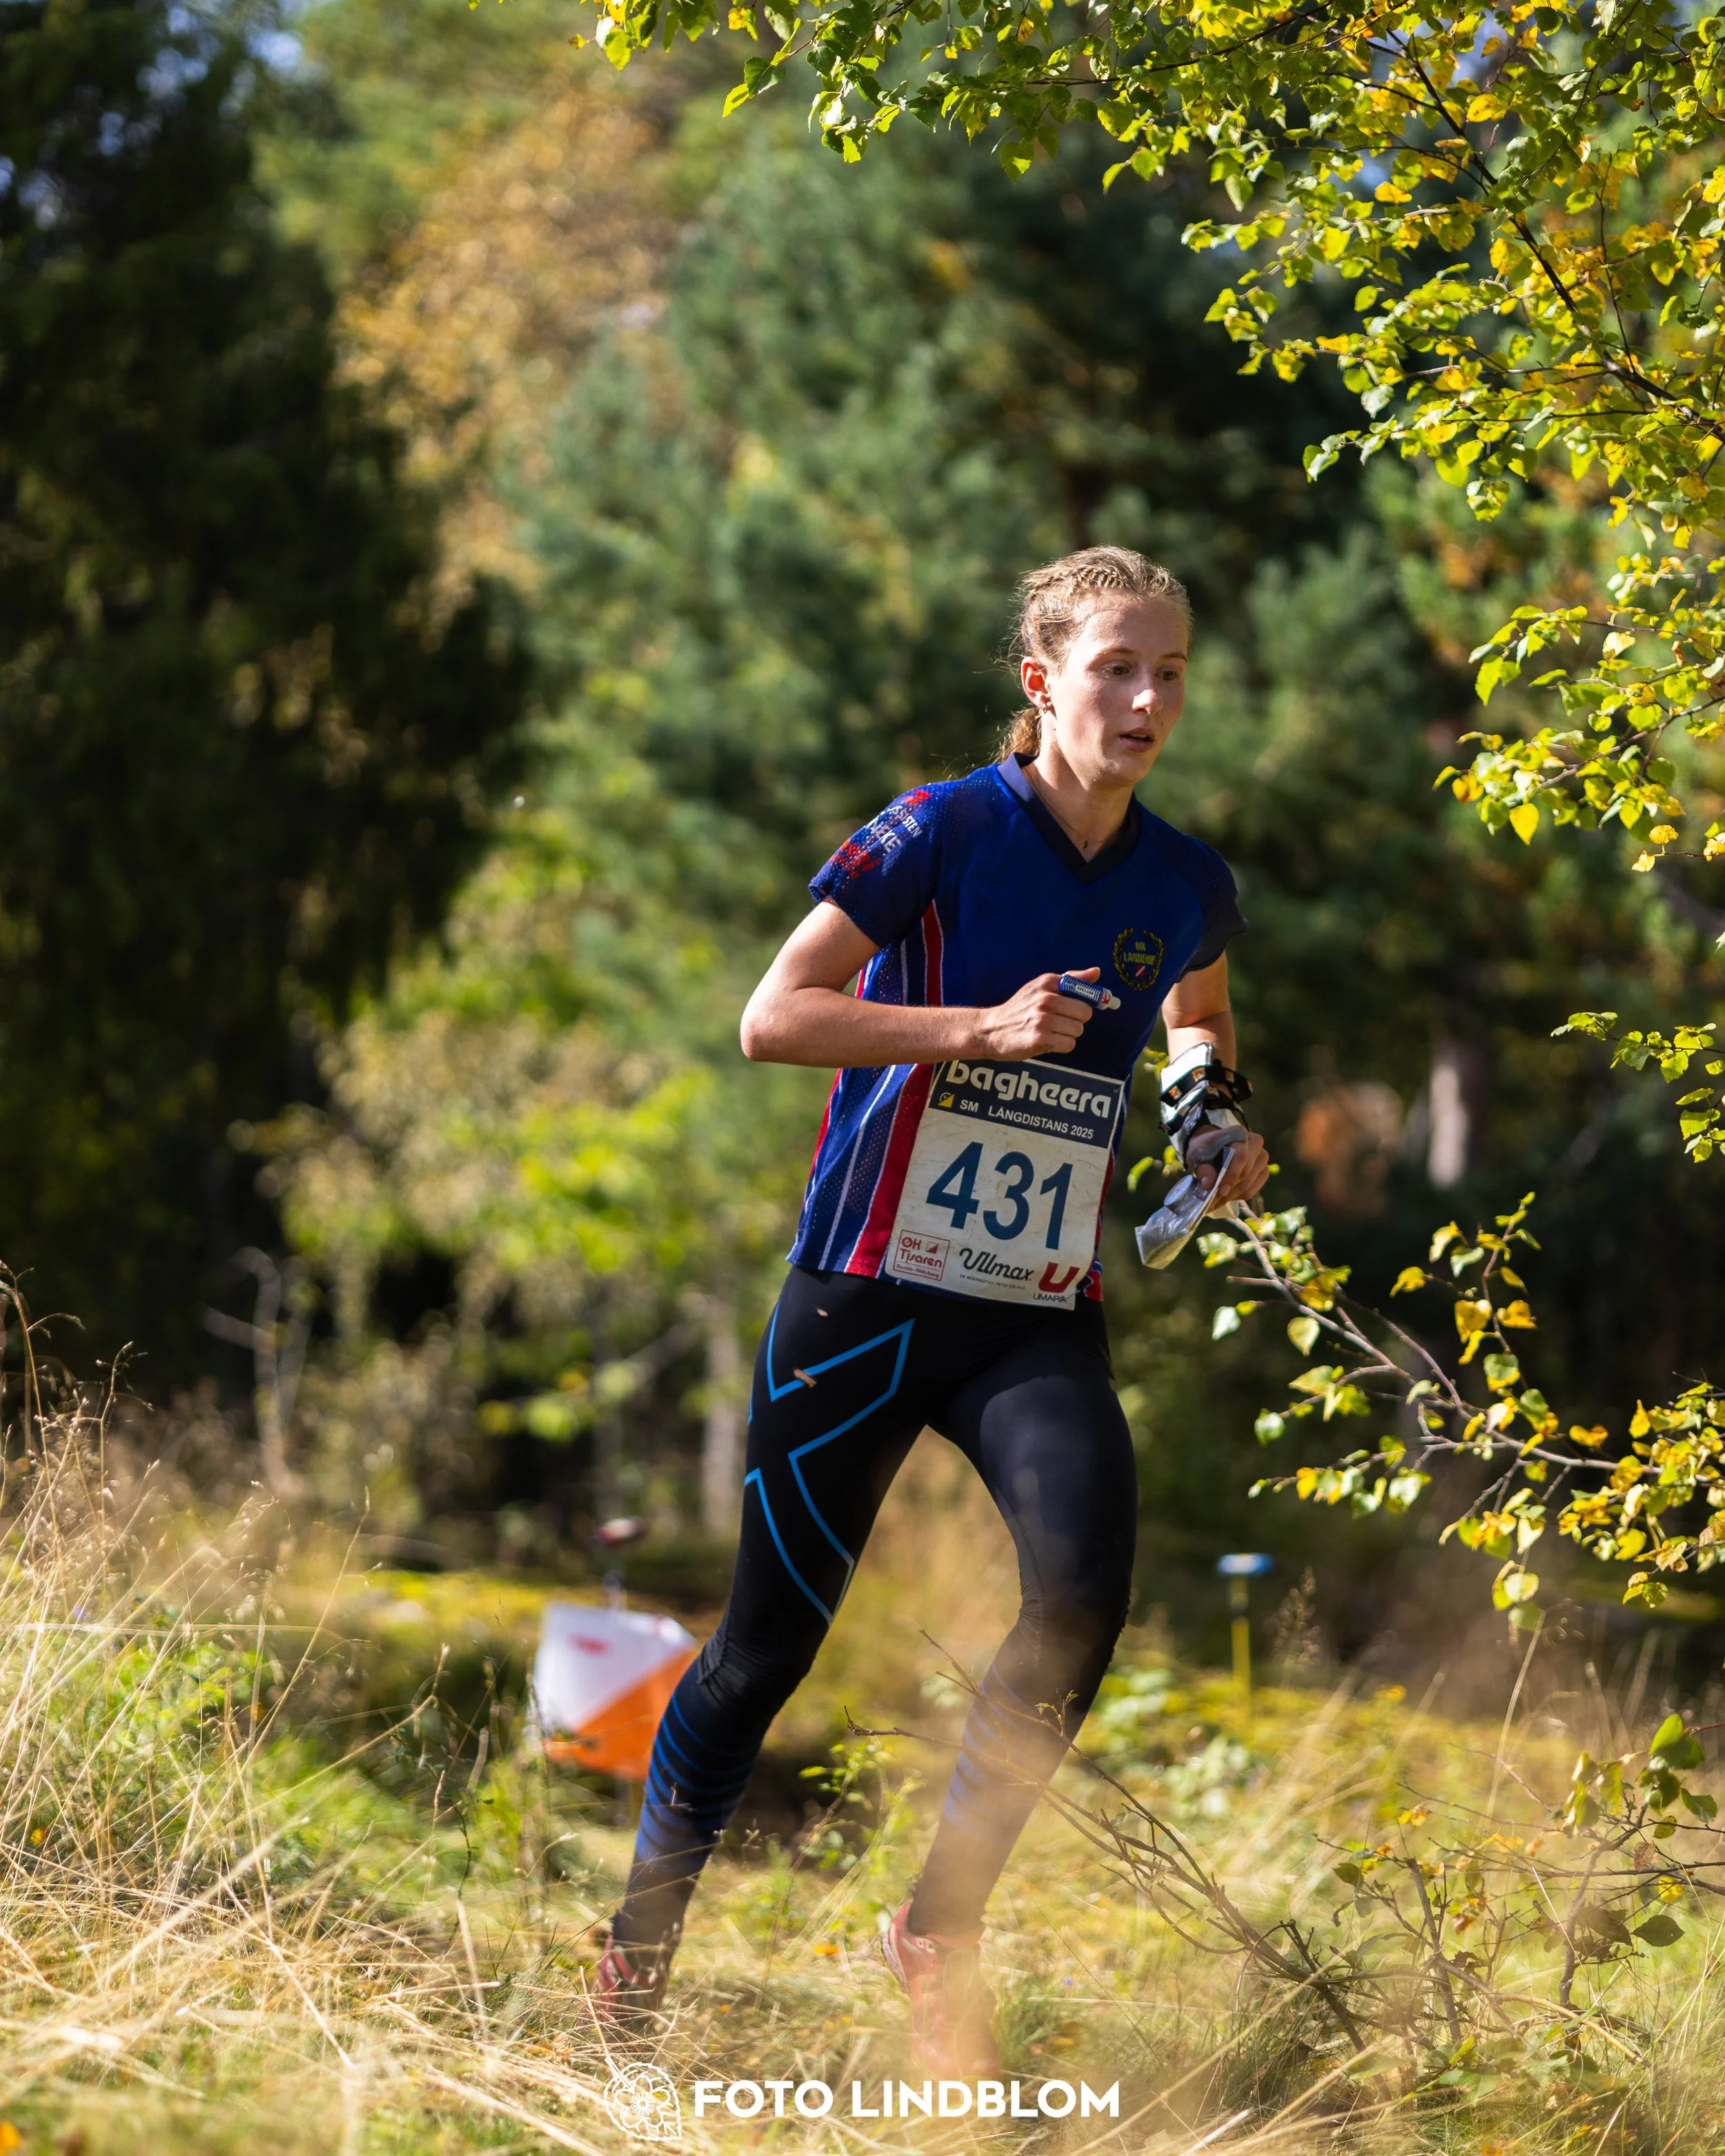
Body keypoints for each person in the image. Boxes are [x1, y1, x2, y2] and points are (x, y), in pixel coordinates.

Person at [591, 546, 1271, 2068]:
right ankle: (639, 1946)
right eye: (1115, 668)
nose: (1147, 698)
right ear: (1041, 682)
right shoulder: (941, 830)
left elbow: (1200, 1019)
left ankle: (937, 1924)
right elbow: (774, 1016)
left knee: (1082, 1591)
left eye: (1168, 671)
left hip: (1030, 1310)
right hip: (865, 1297)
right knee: (765, 1651)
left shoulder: (1183, 879)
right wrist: (973, 1022)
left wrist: (1211, 1120)